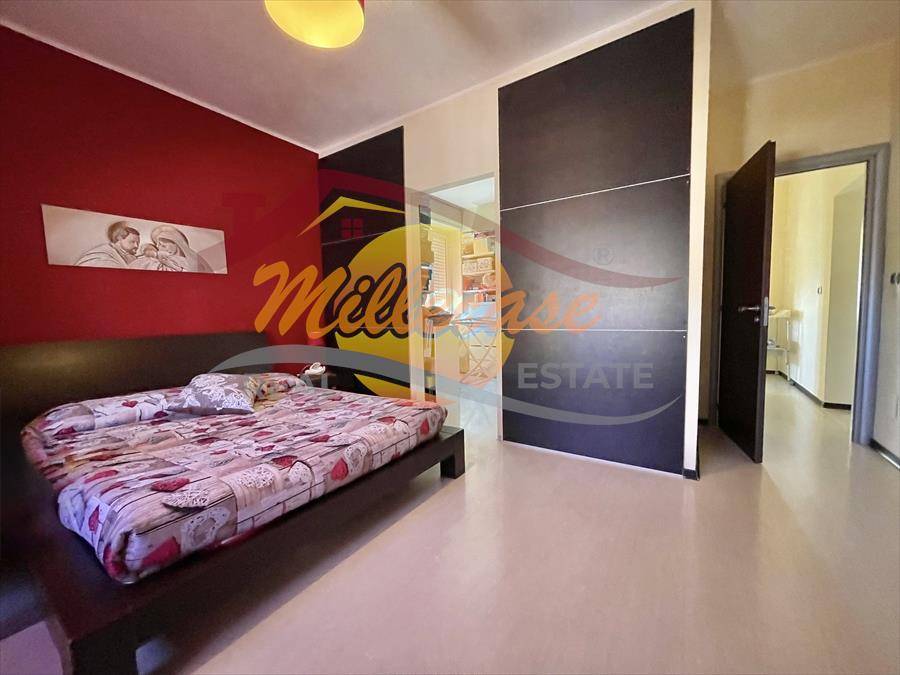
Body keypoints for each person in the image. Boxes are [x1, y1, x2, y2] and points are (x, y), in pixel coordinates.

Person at [75, 221, 140, 268]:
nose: (136, 246)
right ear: (119, 238)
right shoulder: (101, 256)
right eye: (132, 242)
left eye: (138, 243)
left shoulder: (127, 255)